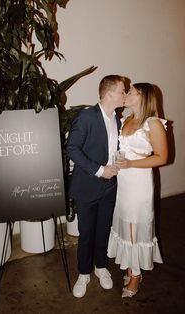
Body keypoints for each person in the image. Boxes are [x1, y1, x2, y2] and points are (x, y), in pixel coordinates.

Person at [66, 75, 126, 298]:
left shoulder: (117, 120)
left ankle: (101, 267)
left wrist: (118, 162)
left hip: (110, 187)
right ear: (109, 93)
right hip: (87, 187)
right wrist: (101, 170)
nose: (125, 94)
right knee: (86, 233)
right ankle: (83, 273)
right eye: (122, 91)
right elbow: (72, 148)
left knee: (104, 229)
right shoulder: (87, 117)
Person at [107, 82, 168, 298]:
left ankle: (135, 274)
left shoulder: (153, 124)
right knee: (124, 224)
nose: (126, 94)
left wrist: (132, 164)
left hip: (139, 183)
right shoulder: (125, 120)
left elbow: (162, 157)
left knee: (134, 227)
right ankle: (131, 266)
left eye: (131, 91)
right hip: (122, 182)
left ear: (142, 97)